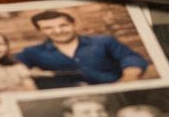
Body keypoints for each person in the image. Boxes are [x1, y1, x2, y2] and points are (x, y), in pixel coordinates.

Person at [16, 10, 148, 86]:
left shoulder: (104, 41)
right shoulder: (33, 51)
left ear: (74, 24)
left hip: (113, 86)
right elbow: (8, 66)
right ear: (39, 30)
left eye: (63, 25)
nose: (58, 31)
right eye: (48, 28)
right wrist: (28, 75)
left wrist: (129, 78)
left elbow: (129, 57)